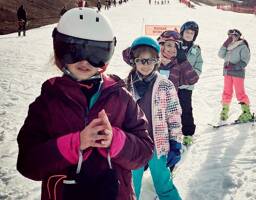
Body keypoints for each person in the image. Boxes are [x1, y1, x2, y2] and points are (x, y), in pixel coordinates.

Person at [16, 8, 154, 200]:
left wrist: (116, 140)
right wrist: (75, 144)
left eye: (96, 53)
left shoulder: (121, 98)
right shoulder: (48, 102)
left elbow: (145, 150)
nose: (84, 61)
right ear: (59, 50)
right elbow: (28, 163)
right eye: (73, 51)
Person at [122, 36, 182, 200]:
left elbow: (174, 114)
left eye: (150, 61)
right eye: (141, 61)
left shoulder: (165, 84)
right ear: (134, 61)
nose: (145, 65)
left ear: (157, 61)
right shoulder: (126, 84)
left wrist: (175, 141)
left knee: (164, 184)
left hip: (158, 143)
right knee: (131, 187)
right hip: (134, 145)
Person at [218, 28, 252, 123]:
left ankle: (247, 112)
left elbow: (245, 60)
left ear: (238, 36)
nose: (232, 38)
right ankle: (225, 110)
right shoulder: (228, 46)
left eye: (234, 36)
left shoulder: (242, 46)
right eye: (229, 36)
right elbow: (220, 55)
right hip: (227, 73)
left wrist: (235, 66)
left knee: (240, 93)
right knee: (227, 92)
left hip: (237, 73)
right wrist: (225, 44)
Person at [178, 21, 203, 146]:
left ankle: (187, 134)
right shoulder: (175, 45)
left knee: (186, 109)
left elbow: (198, 67)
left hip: (186, 86)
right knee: (169, 109)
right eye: (187, 32)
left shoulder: (196, 50)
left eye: (192, 33)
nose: (189, 34)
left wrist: (193, 77)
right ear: (182, 32)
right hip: (172, 84)